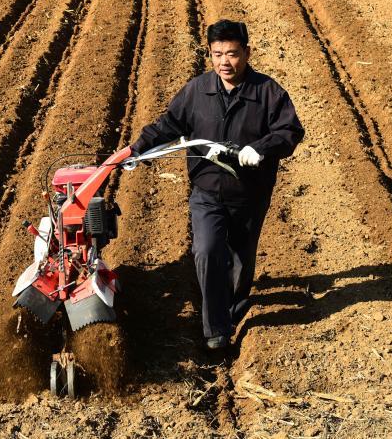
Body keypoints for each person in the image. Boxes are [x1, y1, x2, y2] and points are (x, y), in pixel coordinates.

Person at [130, 19, 304, 349]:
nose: (225, 61)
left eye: (233, 53)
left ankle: (234, 311)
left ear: (247, 53)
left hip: (250, 192)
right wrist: (137, 149)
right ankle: (216, 331)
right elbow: (170, 124)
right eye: (217, 54)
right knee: (207, 250)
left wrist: (261, 148)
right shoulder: (197, 91)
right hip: (207, 190)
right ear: (210, 54)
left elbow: (290, 132)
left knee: (240, 261)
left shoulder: (267, 92)